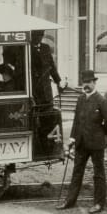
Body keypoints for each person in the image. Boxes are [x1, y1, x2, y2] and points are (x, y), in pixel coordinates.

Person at [57, 70, 107, 213]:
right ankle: (70, 201)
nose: (86, 85)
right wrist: (71, 139)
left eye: (89, 82)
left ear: (94, 83)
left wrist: (102, 135)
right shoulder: (81, 99)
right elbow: (76, 121)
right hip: (81, 143)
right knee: (77, 172)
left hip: (96, 144)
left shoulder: (101, 101)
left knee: (98, 174)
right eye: (84, 82)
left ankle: (99, 204)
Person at [31, 30, 64, 159]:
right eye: (36, 36)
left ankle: (48, 148)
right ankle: (37, 148)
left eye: (41, 36)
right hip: (34, 91)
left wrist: (58, 82)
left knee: (48, 119)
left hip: (46, 91)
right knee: (35, 120)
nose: (39, 38)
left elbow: (51, 66)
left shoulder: (46, 48)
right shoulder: (27, 48)